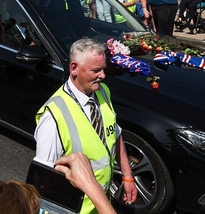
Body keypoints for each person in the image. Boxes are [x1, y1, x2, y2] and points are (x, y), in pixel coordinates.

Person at [35, 39, 137, 214]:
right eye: (96, 70)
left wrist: (127, 175)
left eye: (103, 68)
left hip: (101, 205)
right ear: (74, 68)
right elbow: (43, 183)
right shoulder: (54, 117)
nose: (103, 75)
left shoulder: (102, 91)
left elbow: (115, 132)